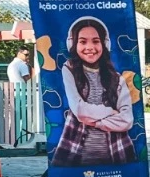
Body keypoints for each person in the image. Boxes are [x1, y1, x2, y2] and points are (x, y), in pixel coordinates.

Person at [51, 17, 135, 167]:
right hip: (75, 153)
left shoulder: (117, 79)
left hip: (117, 153)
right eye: (83, 42)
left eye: (96, 41)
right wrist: (110, 111)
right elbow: (79, 110)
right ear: (73, 44)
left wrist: (95, 122)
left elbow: (127, 120)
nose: (90, 47)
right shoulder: (69, 69)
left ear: (105, 44)